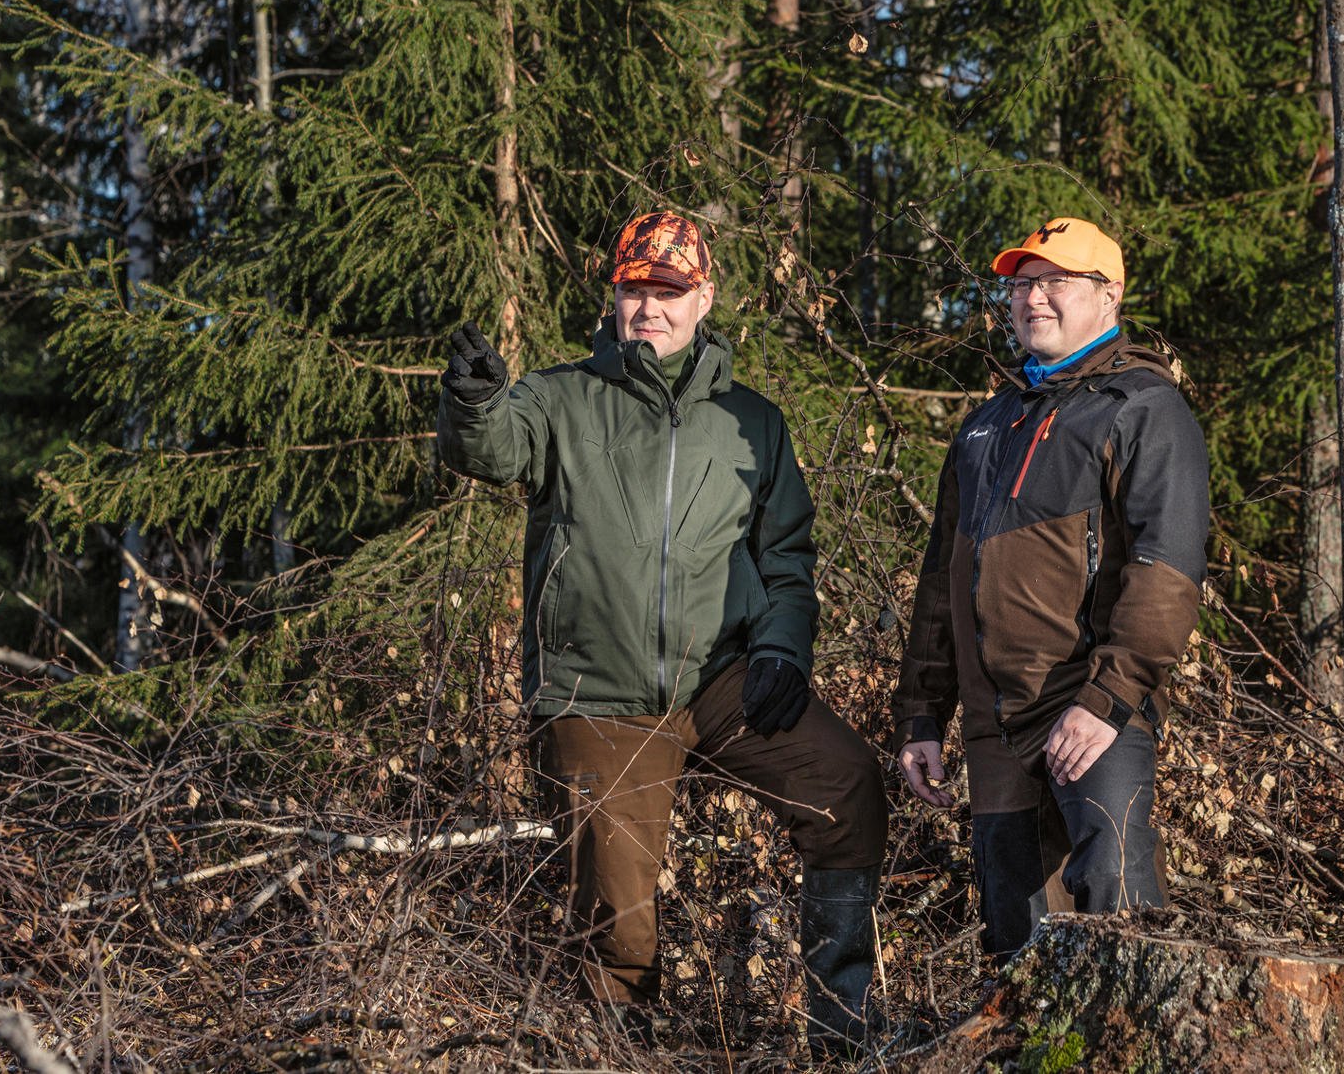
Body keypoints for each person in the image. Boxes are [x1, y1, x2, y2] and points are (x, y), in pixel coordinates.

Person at [437, 210, 886, 1048]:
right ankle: (616, 1055)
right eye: (634, 289)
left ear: (705, 297)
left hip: (723, 679)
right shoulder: (561, 398)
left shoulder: (755, 422)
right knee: (621, 931)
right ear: (613, 297)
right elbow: (492, 449)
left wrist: (784, 650)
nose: (650, 307)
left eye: (669, 291)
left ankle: (844, 1028)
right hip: (599, 691)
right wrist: (474, 400)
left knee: (846, 783)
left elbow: (787, 557)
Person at [892, 216, 1210, 955]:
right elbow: (942, 584)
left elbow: (1166, 574)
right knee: (1018, 943)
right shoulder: (985, 426)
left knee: (1120, 925)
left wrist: (1105, 701)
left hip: (1090, 712)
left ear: (1110, 295)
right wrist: (919, 717)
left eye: (1055, 282)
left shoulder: (1143, 410)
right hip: (992, 726)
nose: (1034, 299)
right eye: (1022, 284)